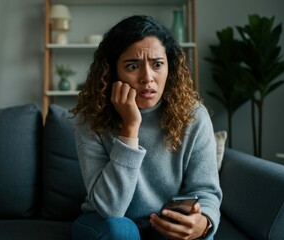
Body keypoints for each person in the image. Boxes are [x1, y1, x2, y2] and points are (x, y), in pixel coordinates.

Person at [70, 15, 222, 240]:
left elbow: (206, 190)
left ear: (169, 67)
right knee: (120, 230)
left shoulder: (193, 115)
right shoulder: (92, 119)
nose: (147, 77)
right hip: (105, 224)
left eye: (157, 64)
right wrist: (130, 128)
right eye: (132, 66)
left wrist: (204, 222)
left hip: (163, 222)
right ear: (113, 72)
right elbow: (109, 208)